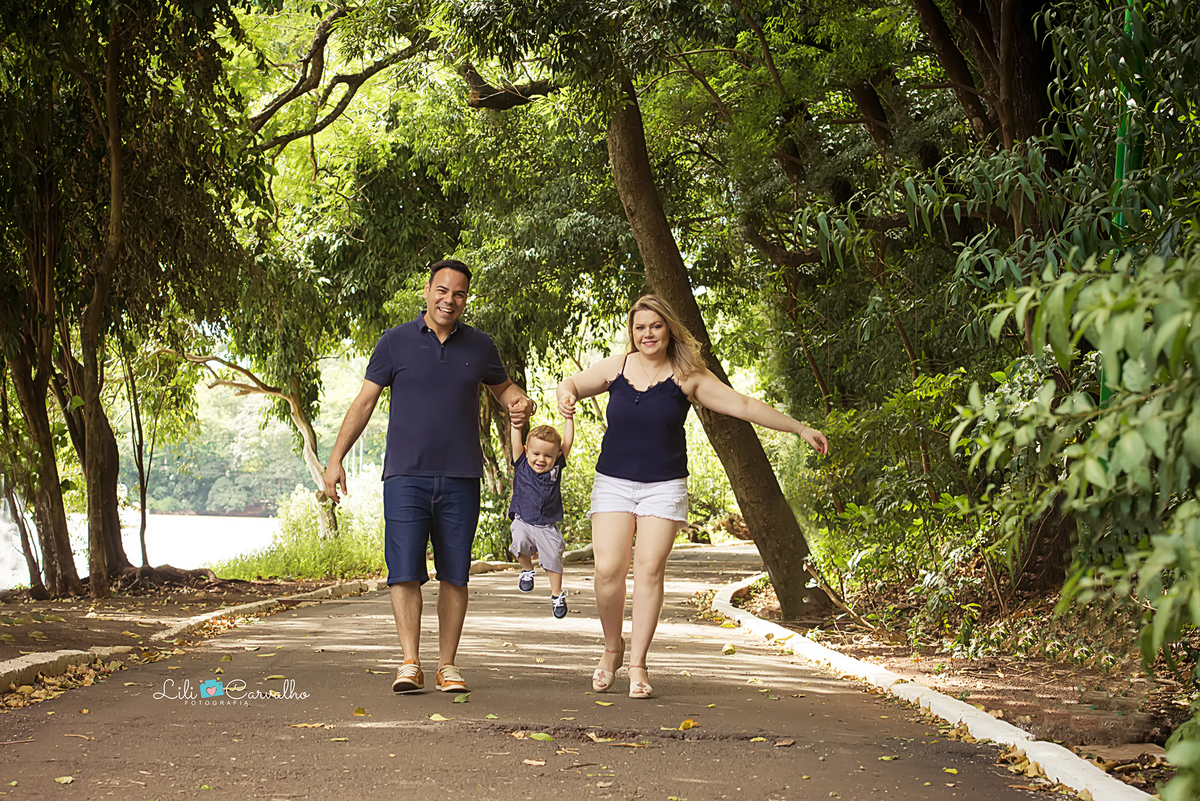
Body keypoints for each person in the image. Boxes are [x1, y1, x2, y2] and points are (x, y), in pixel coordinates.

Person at [556, 294, 829, 699]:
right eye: (640, 327)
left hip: (663, 487)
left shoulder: (688, 377)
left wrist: (799, 428)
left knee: (649, 570)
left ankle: (637, 664)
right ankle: (612, 649)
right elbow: (572, 383)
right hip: (613, 482)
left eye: (656, 326)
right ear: (632, 332)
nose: (648, 334)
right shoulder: (618, 368)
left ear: (668, 329)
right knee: (608, 571)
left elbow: (743, 404)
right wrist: (566, 395)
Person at [323, 260, 534, 695]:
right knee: (403, 572)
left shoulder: (481, 345)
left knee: (455, 574)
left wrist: (522, 403)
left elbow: (505, 390)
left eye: (458, 294)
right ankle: (410, 663)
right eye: (442, 290)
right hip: (405, 476)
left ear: (466, 299)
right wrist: (335, 458)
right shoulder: (394, 342)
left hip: (461, 476)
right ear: (427, 290)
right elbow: (364, 403)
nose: (449, 300)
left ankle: (447, 666)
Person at [508, 418, 574, 619]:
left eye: (548, 456)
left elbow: (568, 441)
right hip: (523, 519)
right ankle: (527, 571)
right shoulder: (521, 463)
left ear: (557, 456)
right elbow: (515, 441)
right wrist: (516, 423)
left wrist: (569, 418)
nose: (541, 459)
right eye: (536, 454)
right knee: (519, 540)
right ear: (526, 451)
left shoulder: (556, 468)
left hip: (546, 525)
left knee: (553, 558)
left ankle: (556, 596)